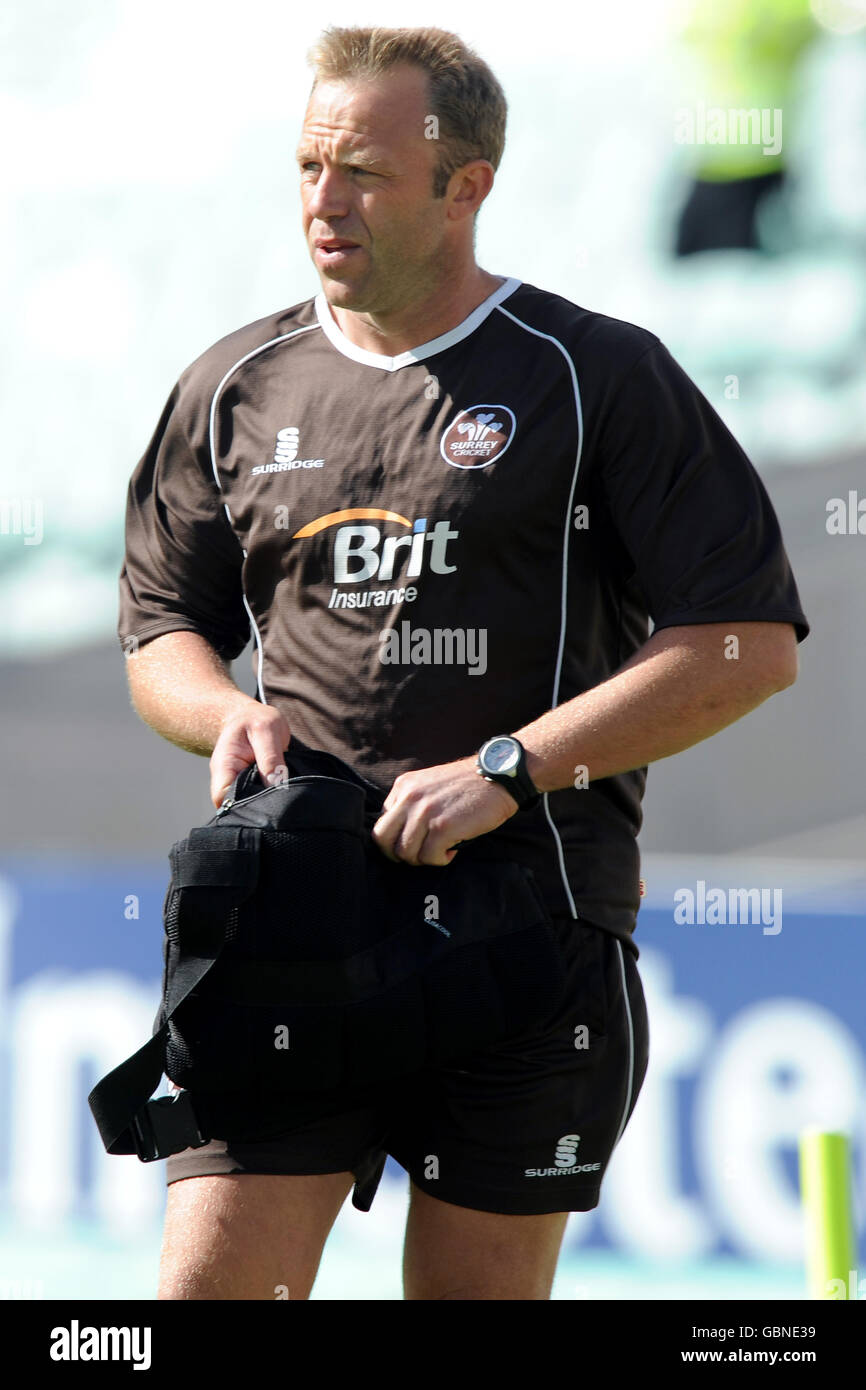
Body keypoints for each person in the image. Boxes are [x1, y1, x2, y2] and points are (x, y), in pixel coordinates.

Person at [118, 25, 809, 1301]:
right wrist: (220, 712)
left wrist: (511, 767)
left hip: (522, 932)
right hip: (286, 921)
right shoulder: (230, 386)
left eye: (365, 171)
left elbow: (745, 641)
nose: (324, 202)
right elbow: (162, 627)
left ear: (464, 182)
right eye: (310, 165)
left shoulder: (594, 374)